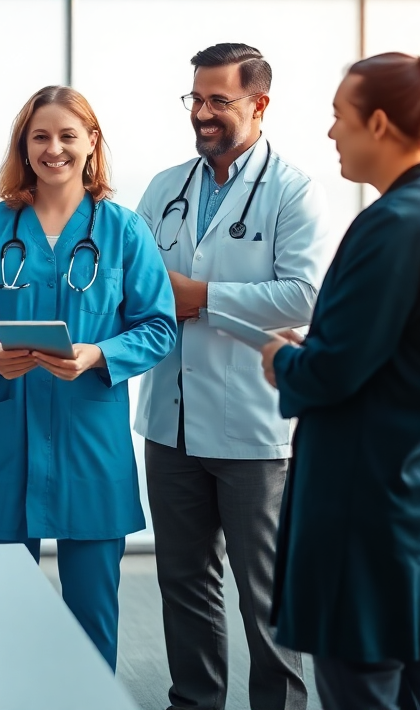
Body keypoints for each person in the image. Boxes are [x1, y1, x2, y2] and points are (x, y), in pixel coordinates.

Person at [260, 48, 420, 710]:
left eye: (341, 116)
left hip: (368, 508)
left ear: (381, 124)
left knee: (362, 690)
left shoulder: (393, 225)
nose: (331, 131)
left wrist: (282, 360)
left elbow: (332, 372)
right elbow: (410, 355)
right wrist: (322, 348)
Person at [0, 85, 177, 670]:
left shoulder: (122, 230)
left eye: (68, 135)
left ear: (92, 142)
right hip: (5, 440)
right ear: (24, 146)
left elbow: (158, 326)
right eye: (40, 136)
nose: (54, 149)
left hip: (89, 441)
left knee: (92, 615)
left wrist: (99, 354)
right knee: (3, 610)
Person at [135, 43, 328, 710]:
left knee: (264, 592)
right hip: (171, 420)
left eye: (219, 100)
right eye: (196, 98)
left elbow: (304, 296)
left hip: (253, 426)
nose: (203, 113)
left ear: (259, 103)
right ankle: (194, 702)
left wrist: (201, 297)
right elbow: (139, 285)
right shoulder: (165, 187)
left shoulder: (293, 190)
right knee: (184, 583)